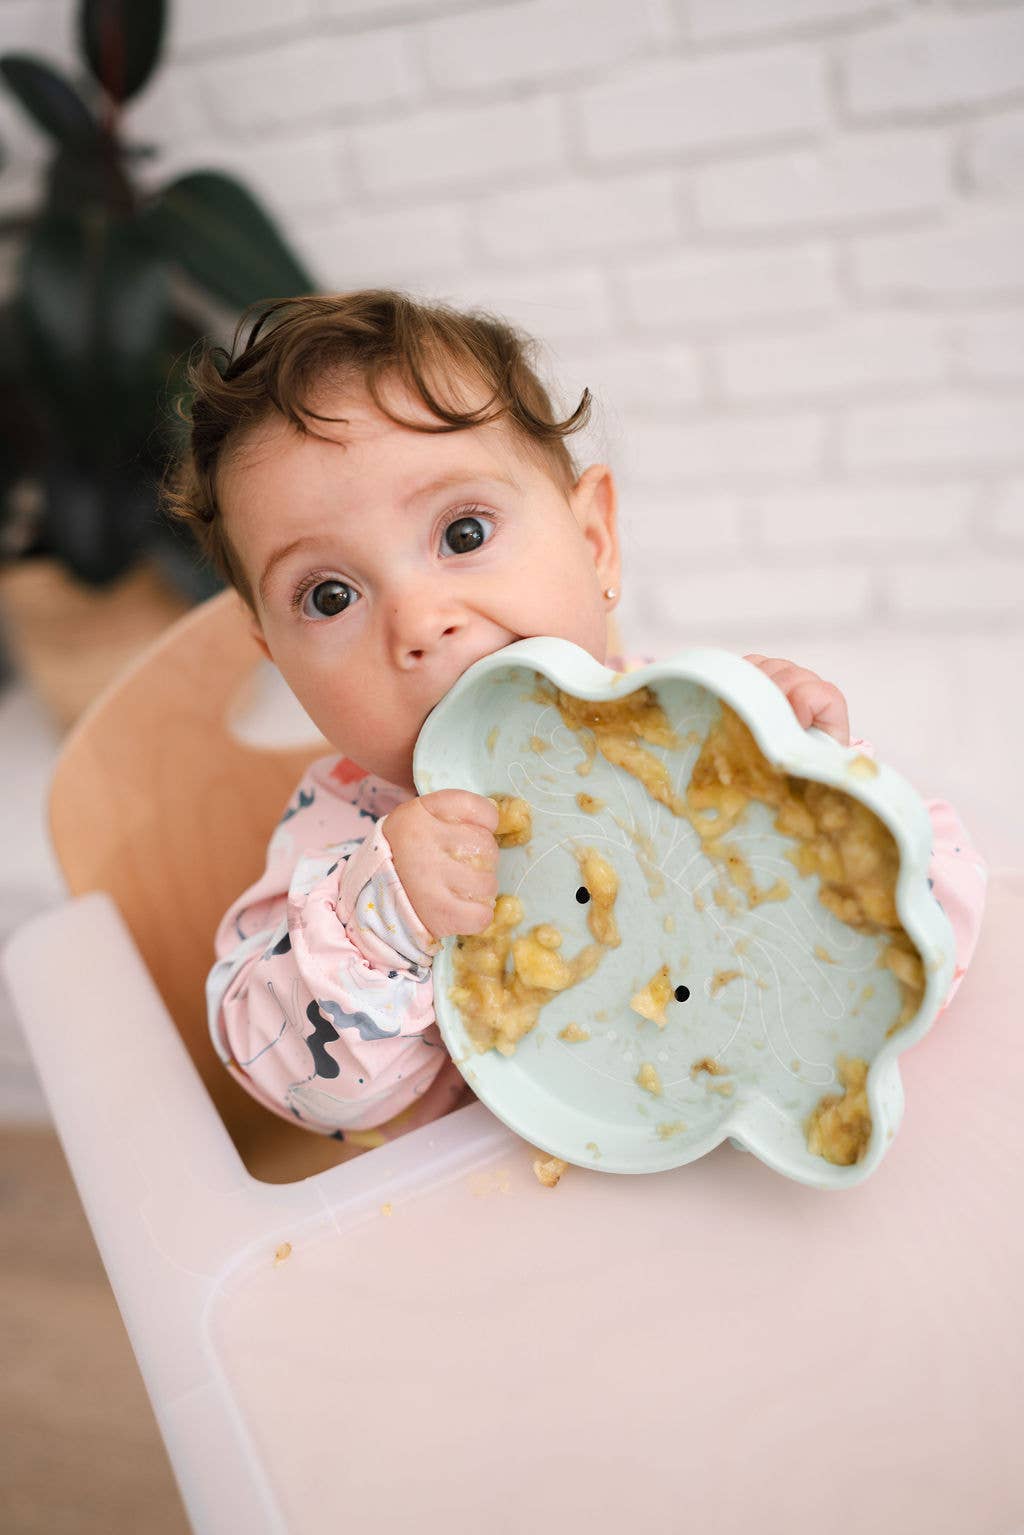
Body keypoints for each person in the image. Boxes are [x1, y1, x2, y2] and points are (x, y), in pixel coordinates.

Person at [164, 289, 988, 1150]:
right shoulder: (340, 834)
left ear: (594, 542)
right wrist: (382, 920)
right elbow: (293, 1084)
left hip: (742, 1160)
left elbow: (951, 920)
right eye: (330, 596)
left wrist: (824, 815)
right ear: (280, 662)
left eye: (464, 531)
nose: (418, 622)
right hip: (511, 1215)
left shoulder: (706, 744)